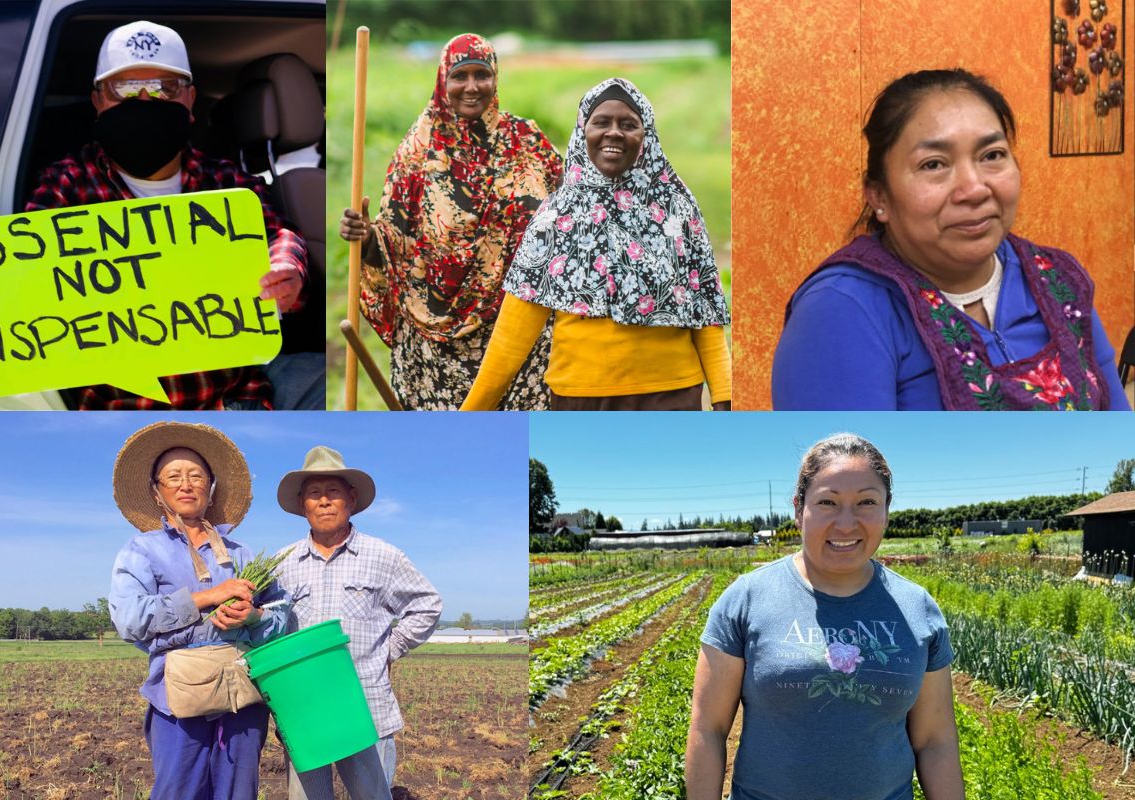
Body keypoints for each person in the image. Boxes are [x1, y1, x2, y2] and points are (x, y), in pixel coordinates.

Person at [772, 68, 1129, 411]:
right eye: (934, 164)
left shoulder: (1058, 281)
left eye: (992, 156)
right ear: (879, 196)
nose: (974, 189)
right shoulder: (842, 310)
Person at [24, 20, 312, 409]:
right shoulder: (66, 184)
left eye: (164, 88)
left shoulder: (229, 181)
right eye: (123, 89)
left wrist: (286, 274)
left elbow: (279, 235)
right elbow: (25, 277)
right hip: (120, 408)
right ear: (98, 101)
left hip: (239, 396)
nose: (144, 100)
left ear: (190, 99)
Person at [685, 434, 964, 800]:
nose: (846, 524)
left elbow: (934, 741)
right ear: (799, 509)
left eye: (866, 502)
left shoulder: (918, 608)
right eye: (828, 502)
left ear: (886, 510)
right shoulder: (747, 599)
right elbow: (709, 728)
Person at [460, 78, 732, 411]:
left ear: (646, 138)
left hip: (671, 394)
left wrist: (724, 396)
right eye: (601, 122)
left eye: (628, 125)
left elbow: (704, 313)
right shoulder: (557, 215)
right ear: (581, 132)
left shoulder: (676, 207)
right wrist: (471, 413)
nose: (614, 133)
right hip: (580, 397)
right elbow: (514, 331)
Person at [338, 33, 562, 410]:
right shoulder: (417, 151)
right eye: (460, 76)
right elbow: (393, 240)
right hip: (434, 347)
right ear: (443, 81)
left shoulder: (528, 141)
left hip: (521, 332)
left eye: (482, 75)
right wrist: (367, 238)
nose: (472, 87)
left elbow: (571, 210)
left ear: (496, 78)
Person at [109, 421, 288, 799]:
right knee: (178, 790)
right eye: (173, 477)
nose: (185, 484)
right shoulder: (141, 550)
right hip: (178, 697)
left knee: (239, 791)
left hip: (242, 694)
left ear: (211, 487)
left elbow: (282, 616)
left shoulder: (243, 554)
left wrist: (253, 617)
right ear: (157, 492)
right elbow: (130, 620)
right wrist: (207, 597)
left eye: (196, 476)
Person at [272, 445, 442, 798]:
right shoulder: (282, 563)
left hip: (366, 707)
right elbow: (268, 628)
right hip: (304, 711)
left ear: (350, 499)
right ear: (302, 504)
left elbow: (428, 605)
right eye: (314, 494)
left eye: (332, 492)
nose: (324, 501)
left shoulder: (384, 556)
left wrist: (389, 651)